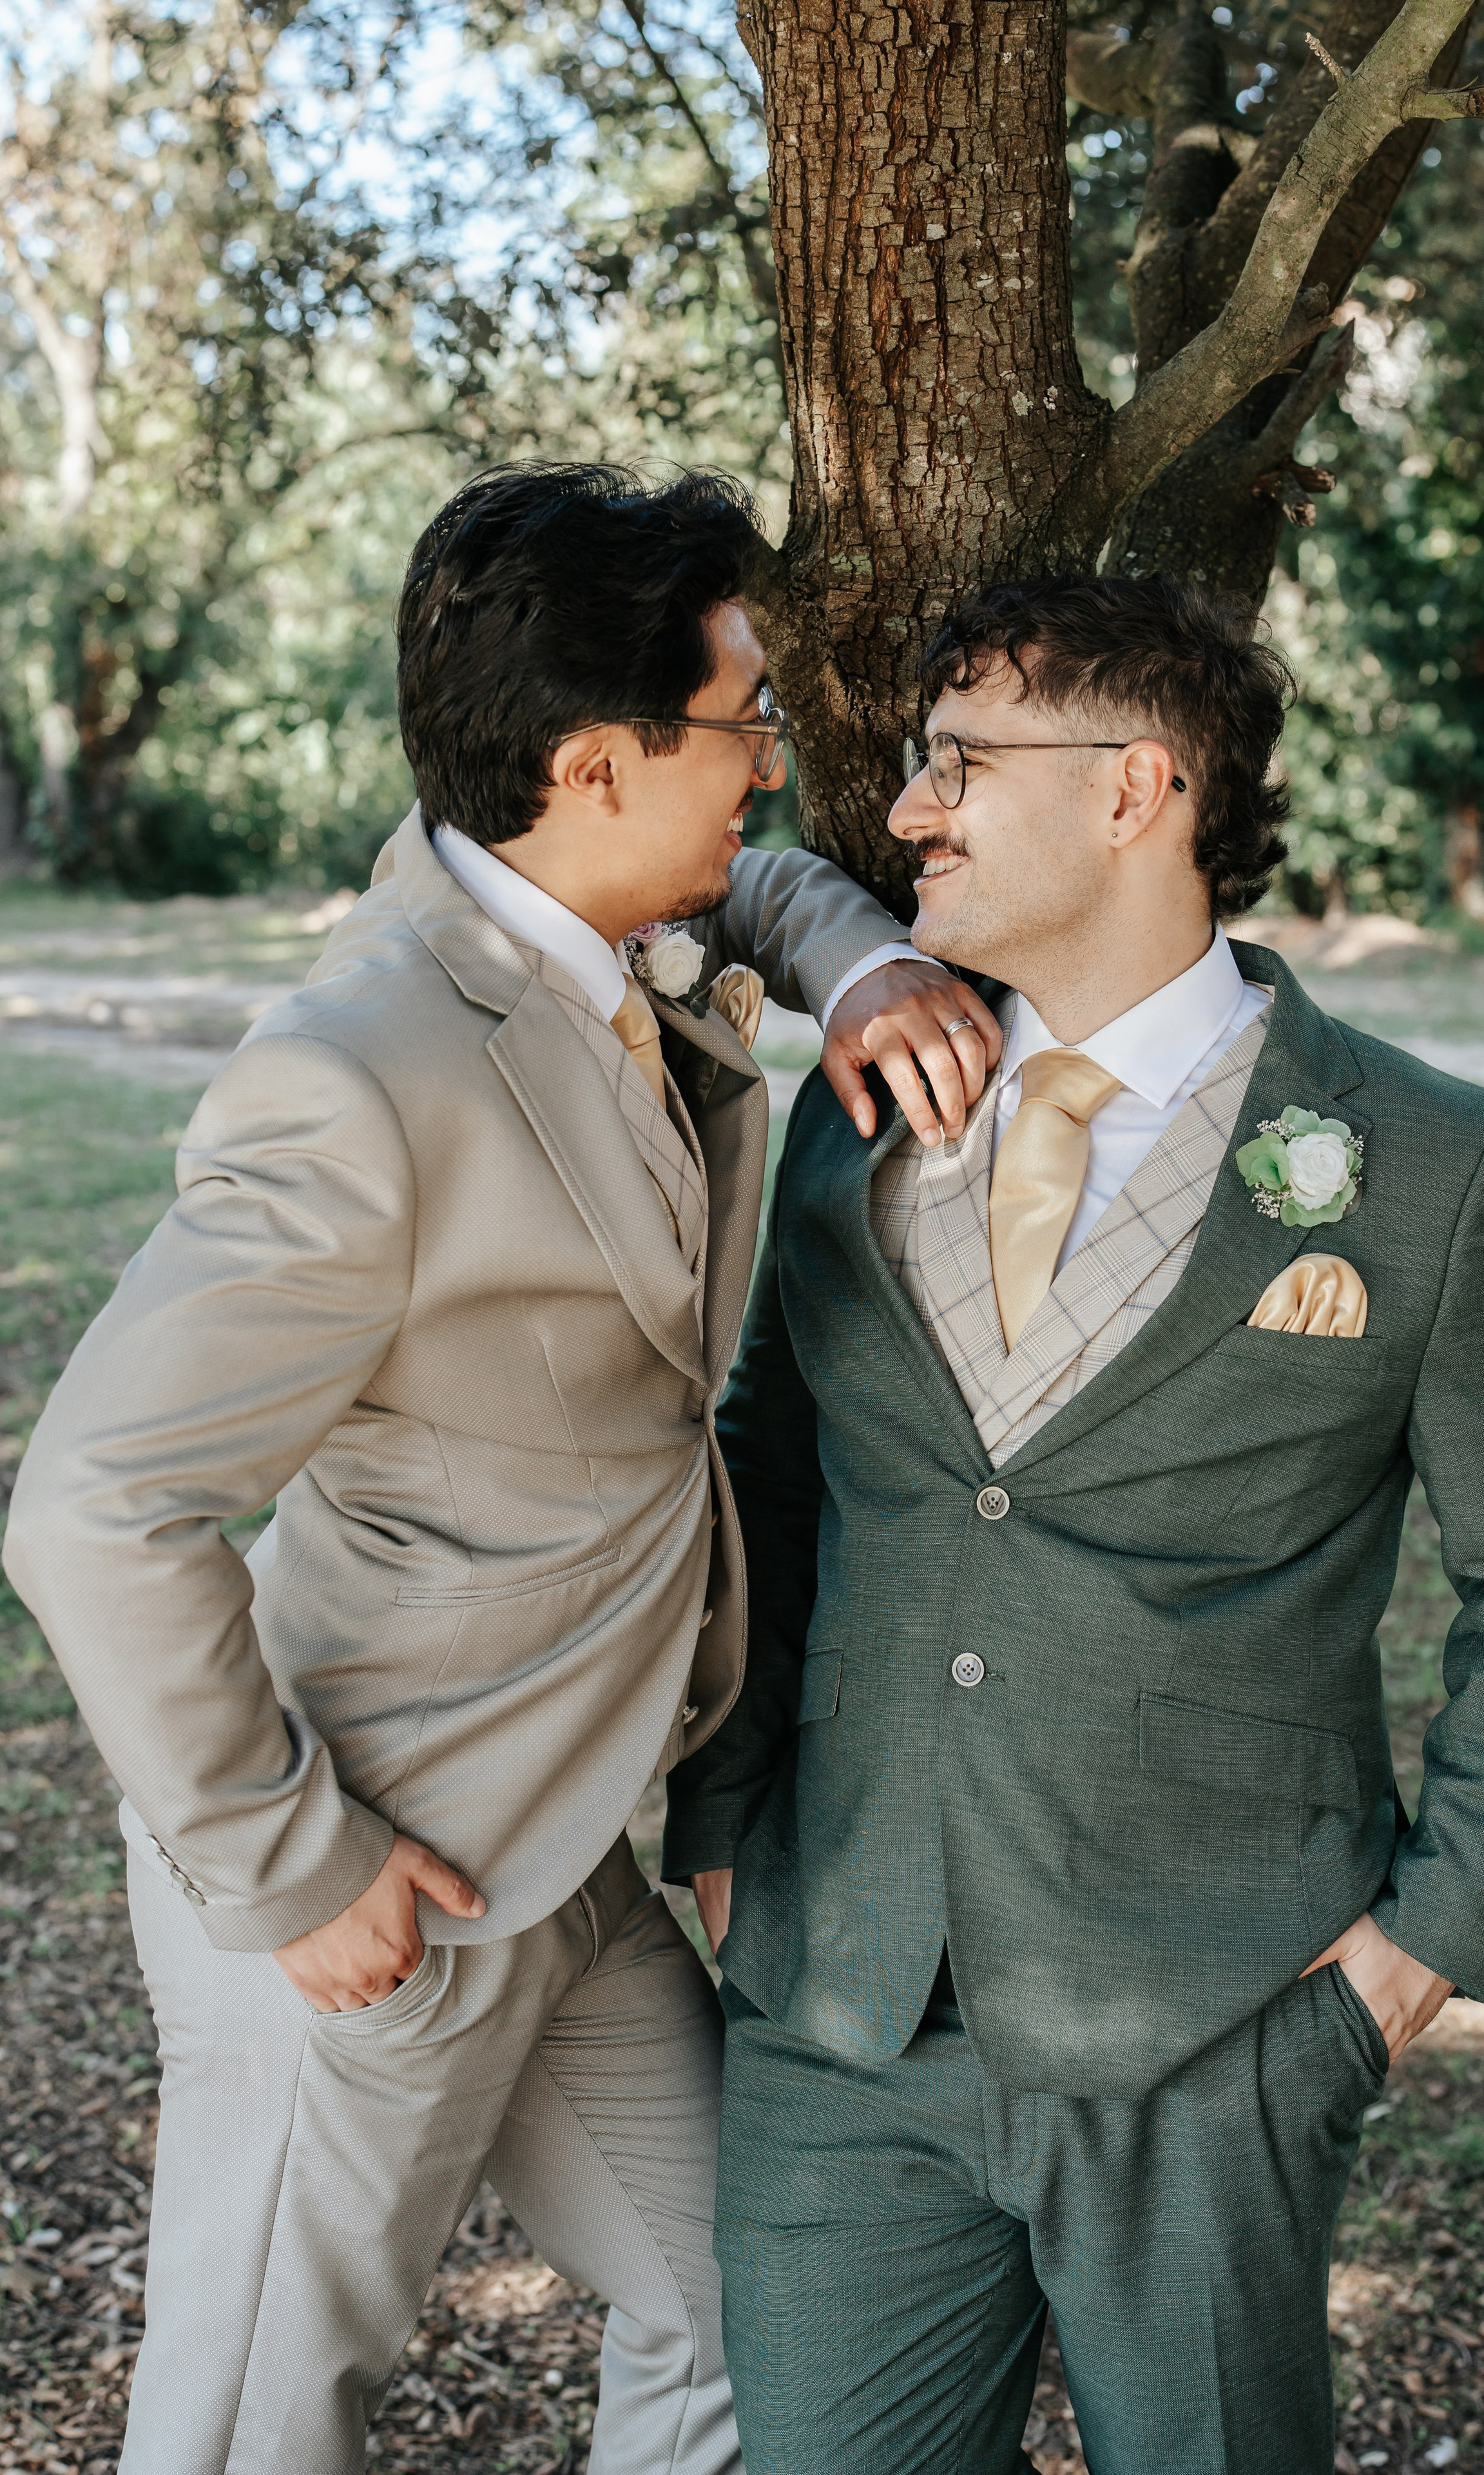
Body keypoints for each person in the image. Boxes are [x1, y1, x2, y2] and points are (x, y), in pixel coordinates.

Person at [1, 462, 999, 2475]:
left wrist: (861, 955)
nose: (777, 766)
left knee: (754, 2325)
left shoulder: (574, 905)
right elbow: (93, 1508)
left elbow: (751, 885)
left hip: (567, 1857)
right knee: (253, 2433)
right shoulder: (358, 1071)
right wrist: (294, 1861)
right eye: (746, 726)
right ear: (593, 761)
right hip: (372, 1873)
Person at [666, 573, 1484, 2475]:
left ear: (1138, 790)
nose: (911, 811)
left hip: (1221, 2034)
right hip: (839, 2010)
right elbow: (771, 1467)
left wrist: (1416, 1950)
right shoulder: (857, 1114)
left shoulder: (1427, 1163)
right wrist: (726, 1824)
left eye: (961, 762)